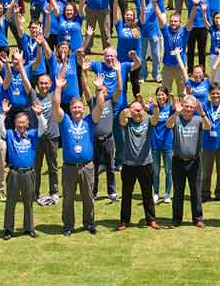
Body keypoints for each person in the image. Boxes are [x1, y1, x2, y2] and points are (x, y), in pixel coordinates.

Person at [57, 79, 106, 235]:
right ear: (70, 109)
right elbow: (55, 107)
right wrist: (58, 88)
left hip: (87, 166)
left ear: (83, 108)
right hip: (69, 167)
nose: (77, 110)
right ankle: (68, 225)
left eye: (79, 107)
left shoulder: (89, 121)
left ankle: (89, 223)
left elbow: (100, 107)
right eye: (74, 107)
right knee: (68, 199)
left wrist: (98, 90)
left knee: (88, 197)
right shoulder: (65, 121)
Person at [167, 93, 209, 227]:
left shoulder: (198, 120)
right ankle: (176, 219)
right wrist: (175, 113)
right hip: (178, 161)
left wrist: (202, 113)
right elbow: (168, 125)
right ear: (182, 106)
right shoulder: (177, 119)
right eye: (186, 106)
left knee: (195, 191)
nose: (189, 109)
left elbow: (208, 127)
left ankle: (197, 218)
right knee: (178, 191)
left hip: (195, 161)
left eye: (191, 107)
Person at [117, 97, 159, 230]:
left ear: (143, 110)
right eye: (134, 110)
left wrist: (155, 107)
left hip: (145, 164)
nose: (138, 112)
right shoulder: (127, 122)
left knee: (147, 193)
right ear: (131, 111)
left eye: (139, 110)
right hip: (128, 165)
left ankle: (151, 220)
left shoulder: (148, 120)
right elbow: (121, 121)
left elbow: (155, 119)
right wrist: (123, 113)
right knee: (126, 194)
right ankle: (124, 221)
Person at [3, 110, 40, 238]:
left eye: (24, 122)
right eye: (19, 122)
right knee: (10, 202)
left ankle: (29, 228)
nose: (21, 125)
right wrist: (3, 113)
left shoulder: (33, 134)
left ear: (28, 123)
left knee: (29, 202)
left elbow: (44, 128)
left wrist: (39, 115)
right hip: (14, 173)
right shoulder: (9, 134)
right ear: (15, 123)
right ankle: (8, 229)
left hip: (29, 173)